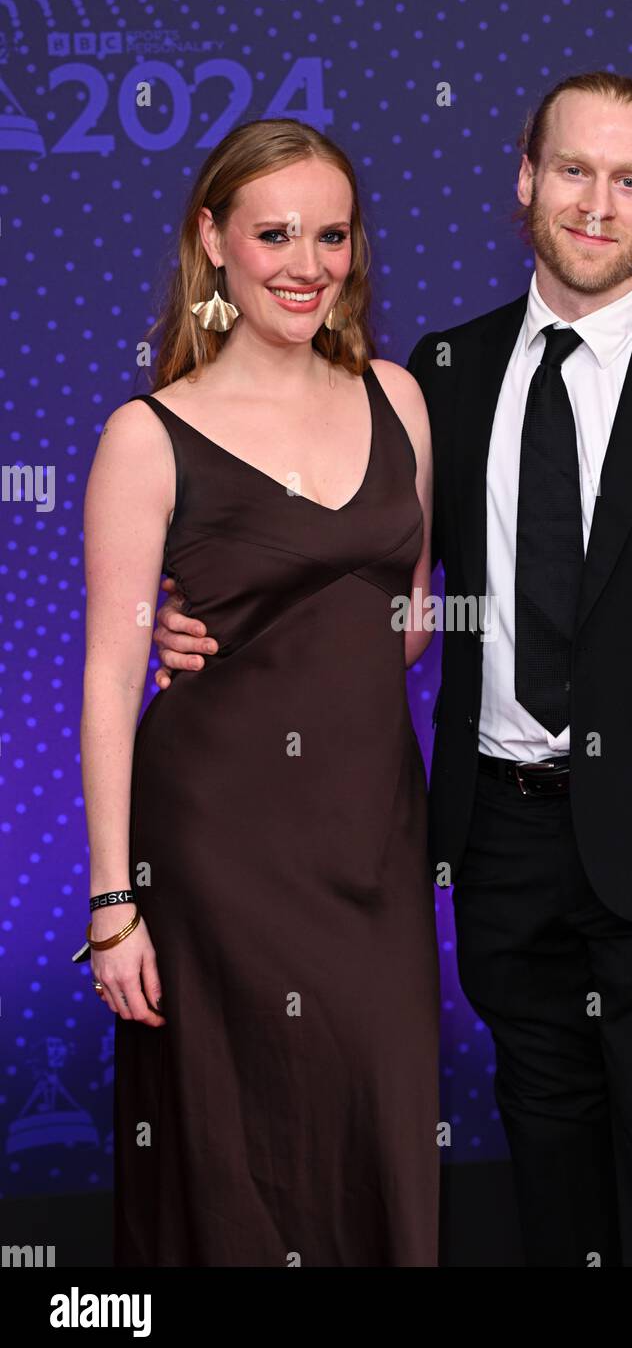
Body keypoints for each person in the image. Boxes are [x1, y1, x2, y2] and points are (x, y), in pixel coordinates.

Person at [153, 74, 632, 1267]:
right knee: (548, 1172)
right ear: (525, 180)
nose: (596, 204)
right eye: (573, 170)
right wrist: (207, 615)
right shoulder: (438, 377)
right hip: (501, 845)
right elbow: (364, 578)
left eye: (629, 181)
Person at [79, 118, 440, 1266]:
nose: (306, 262)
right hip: (215, 853)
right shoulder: (149, 435)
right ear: (213, 241)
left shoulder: (398, 397)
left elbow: (409, 614)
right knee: (233, 1158)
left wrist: (299, 646)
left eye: (330, 234)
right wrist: (110, 903)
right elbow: (105, 673)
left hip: (370, 842)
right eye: (274, 232)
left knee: (375, 1131)